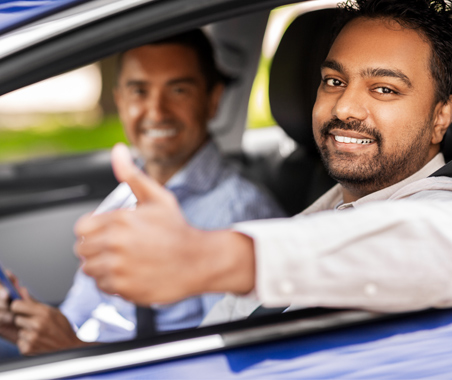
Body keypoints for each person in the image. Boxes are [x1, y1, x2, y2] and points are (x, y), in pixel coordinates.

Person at [74, 0, 452, 322]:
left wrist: (208, 258)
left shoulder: (438, 214)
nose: (345, 106)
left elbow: (428, 242)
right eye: (334, 81)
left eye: (384, 89)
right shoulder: (325, 210)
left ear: (441, 117)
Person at [0, 30, 283, 356]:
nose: (156, 112)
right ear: (120, 101)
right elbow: (78, 315)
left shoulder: (239, 213)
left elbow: (225, 363)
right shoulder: (127, 192)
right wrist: (29, 330)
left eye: (178, 90)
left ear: (212, 101)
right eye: (139, 91)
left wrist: (74, 349)